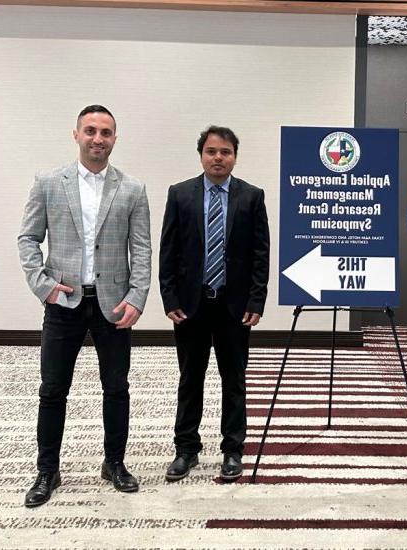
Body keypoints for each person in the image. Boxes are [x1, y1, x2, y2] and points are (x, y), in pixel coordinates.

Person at [18, 105, 151, 507]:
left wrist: (137, 296)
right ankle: (47, 469)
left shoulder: (132, 189)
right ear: (76, 134)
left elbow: (141, 249)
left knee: (117, 388)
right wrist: (43, 286)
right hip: (64, 303)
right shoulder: (47, 182)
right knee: (53, 389)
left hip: (113, 305)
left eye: (106, 132)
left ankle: (114, 463)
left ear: (115, 138)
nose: (98, 138)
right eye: (90, 131)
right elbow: (28, 239)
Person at [159, 125, 269, 483]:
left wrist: (257, 298)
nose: (218, 157)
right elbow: (169, 251)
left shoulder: (252, 196)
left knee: (233, 380)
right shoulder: (180, 194)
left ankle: (233, 450)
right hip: (190, 305)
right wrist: (169, 297)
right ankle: (186, 448)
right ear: (201, 155)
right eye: (211, 151)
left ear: (235, 156)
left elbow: (260, 254)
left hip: (234, 306)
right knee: (190, 378)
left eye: (225, 152)